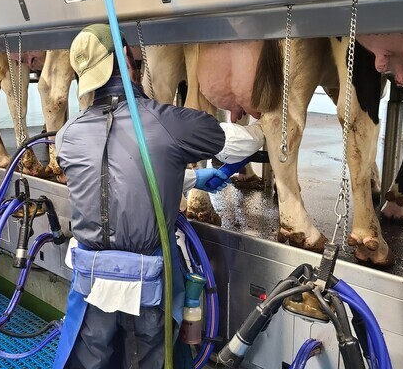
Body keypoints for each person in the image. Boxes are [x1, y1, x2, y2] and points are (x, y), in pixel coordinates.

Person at [53, 24, 265, 368]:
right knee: (151, 359)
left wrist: (192, 179)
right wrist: (264, 131)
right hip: (146, 284)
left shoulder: (67, 136)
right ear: (127, 57)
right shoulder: (167, 122)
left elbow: (113, 177)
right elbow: (236, 143)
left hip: (91, 284)